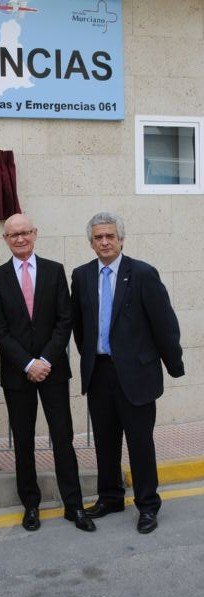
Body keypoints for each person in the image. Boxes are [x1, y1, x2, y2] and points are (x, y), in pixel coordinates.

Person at [71, 212, 185, 534]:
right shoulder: (81, 276)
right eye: (98, 237)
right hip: (100, 373)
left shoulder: (143, 274)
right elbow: (81, 329)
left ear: (121, 239)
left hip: (137, 375)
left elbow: (164, 324)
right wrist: (93, 358)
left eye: (110, 236)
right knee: (105, 442)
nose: (104, 242)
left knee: (139, 443)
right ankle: (109, 497)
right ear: (91, 242)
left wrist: (173, 365)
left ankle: (148, 505)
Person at [0, 214, 95, 533]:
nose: (20, 238)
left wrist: (45, 359)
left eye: (25, 232)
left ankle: (73, 505)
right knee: (23, 441)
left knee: (63, 438)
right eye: (13, 234)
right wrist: (27, 363)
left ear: (35, 234)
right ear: (5, 239)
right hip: (18, 373)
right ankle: (30, 505)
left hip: (53, 370)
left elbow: (65, 320)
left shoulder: (54, 270)